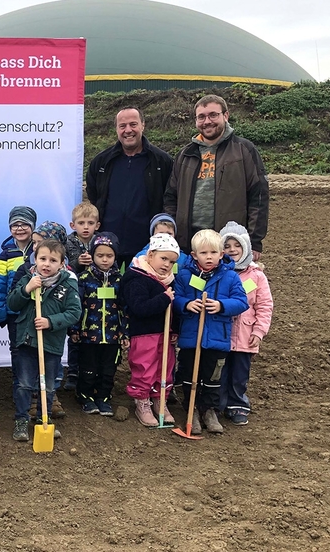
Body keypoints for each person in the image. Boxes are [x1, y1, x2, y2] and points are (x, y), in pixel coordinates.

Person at [164, 95, 270, 257]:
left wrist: (254, 241)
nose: (207, 121)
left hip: (228, 243)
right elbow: (171, 197)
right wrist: (171, 233)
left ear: (225, 116)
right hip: (189, 243)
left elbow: (259, 196)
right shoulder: (185, 154)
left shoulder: (244, 150)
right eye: (201, 117)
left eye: (213, 115)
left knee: (229, 282)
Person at [172, 229, 249, 434]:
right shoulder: (185, 275)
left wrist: (222, 306)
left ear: (221, 254)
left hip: (217, 338)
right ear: (194, 255)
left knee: (213, 377)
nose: (209, 257)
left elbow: (242, 302)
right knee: (189, 374)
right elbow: (175, 298)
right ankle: (192, 411)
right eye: (203, 253)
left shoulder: (230, 277)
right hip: (191, 337)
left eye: (213, 253)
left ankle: (209, 410)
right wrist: (186, 304)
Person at [6, 239, 81, 442]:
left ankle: (43, 419)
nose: (46, 264)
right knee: (23, 384)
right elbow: (12, 303)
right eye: (42, 259)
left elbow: (74, 312)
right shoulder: (28, 278)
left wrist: (50, 321)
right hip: (27, 341)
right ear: (35, 259)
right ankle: (21, 420)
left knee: (47, 385)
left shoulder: (68, 284)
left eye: (52, 260)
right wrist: (26, 289)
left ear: (62, 263)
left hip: (51, 344)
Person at [86, 107, 174, 266]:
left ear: (143, 125)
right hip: (108, 245)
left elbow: (170, 198)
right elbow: (93, 194)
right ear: (116, 129)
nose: (128, 130)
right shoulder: (101, 162)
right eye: (122, 126)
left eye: (133, 124)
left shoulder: (162, 161)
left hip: (147, 245)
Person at [120, 233, 180, 427]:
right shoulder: (137, 278)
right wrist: (164, 298)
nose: (166, 265)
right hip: (144, 333)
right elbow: (139, 307)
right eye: (163, 258)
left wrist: (175, 328)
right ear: (151, 254)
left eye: (171, 261)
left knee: (166, 367)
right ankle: (142, 400)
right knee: (145, 367)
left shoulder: (170, 280)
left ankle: (159, 399)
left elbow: (175, 308)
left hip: (164, 333)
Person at [219, 221, 274, 426]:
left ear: (246, 248)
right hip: (222, 335)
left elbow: (264, 305)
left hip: (245, 336)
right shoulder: (218, 273)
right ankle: (218, 405)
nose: (232, 250)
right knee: (219, 372)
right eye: (227, 246)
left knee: (239, 375)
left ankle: (237, 405)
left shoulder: (257, 276)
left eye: (237, 245)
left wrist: (259, 331)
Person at [72, 233, 127, 417]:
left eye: (109, 256)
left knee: (108, 369)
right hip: (88, 335)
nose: (105, 259)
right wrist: (74, 329)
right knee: (88, 368)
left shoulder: (120, 280)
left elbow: (125, 308)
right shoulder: (83, 278)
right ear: (92, 256)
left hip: (112, 336)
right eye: (100, 255)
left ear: (115, 257)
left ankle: (103, 397)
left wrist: (125, 332)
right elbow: (76, 305)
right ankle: (85, 396)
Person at [0, 206, 37, 363]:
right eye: (15, 225)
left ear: (32, 226)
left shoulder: (39, 250)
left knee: (36, 349)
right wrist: (1, 313)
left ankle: (38, 386)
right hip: (14, 313)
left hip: (35, 311)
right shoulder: (6, 253)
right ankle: (19, 385)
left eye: (24, 224)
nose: (20, 229)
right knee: (17, 350)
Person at [66, 201, 100, 275]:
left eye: (90, 223)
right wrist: (77, 262)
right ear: (73, 225)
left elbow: (111, 264)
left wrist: (95, 261)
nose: (86, 227)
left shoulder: (102, 242)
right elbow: (62, 268)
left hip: (96, 283)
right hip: (75, 282)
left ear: (97, 226)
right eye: (81, 223)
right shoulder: (66, 243)